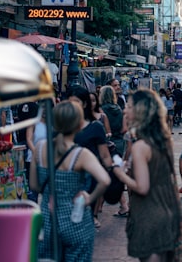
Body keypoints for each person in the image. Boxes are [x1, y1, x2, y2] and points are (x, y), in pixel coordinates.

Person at [112, 89, 182, 262]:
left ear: (140, 111)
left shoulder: (140, 146)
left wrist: (119, 173)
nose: (125, 110)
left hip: (150, 215)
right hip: (166, 211)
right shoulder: (161, 140)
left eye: (130, 107)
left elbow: (142, 186)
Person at [30, 100, 110, 261]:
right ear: (79, 124)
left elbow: (34, 185)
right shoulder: (81, 154)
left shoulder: (39, 148)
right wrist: (89, 199)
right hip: (76, 220)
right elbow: (105, 180)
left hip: (47, 221)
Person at [67, 85, 113, 229]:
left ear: (84, 104)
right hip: (66, 177)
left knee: (81, 217)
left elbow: (105, 156)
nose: (73, 107)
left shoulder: (95, 127)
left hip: (88, 179)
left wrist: (112, 173)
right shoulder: (62, 126)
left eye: (76, 102)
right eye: (70, 103)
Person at [99, 85, 129, 217]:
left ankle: (123, 205)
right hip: (119, 143)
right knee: (113, 173)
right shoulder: (119, 109)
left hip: (106, 143)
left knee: (106, 173)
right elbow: (124, 129)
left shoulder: (102, 111)